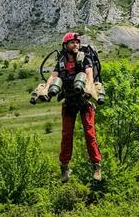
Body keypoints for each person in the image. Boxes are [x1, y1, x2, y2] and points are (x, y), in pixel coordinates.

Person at [42, 32, 102, 183]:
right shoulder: (61, 61)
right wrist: (46, 88)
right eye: (72, 42)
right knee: (66, 135)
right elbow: (54, 76)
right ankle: (64, 167)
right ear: (66, 45)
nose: (75, 45)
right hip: (69, 102)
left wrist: (89, 87)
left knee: (89, 133)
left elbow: (89, 74)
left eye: (77, 42)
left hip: (84, 102)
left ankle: (96, 166)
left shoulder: (85, 58)